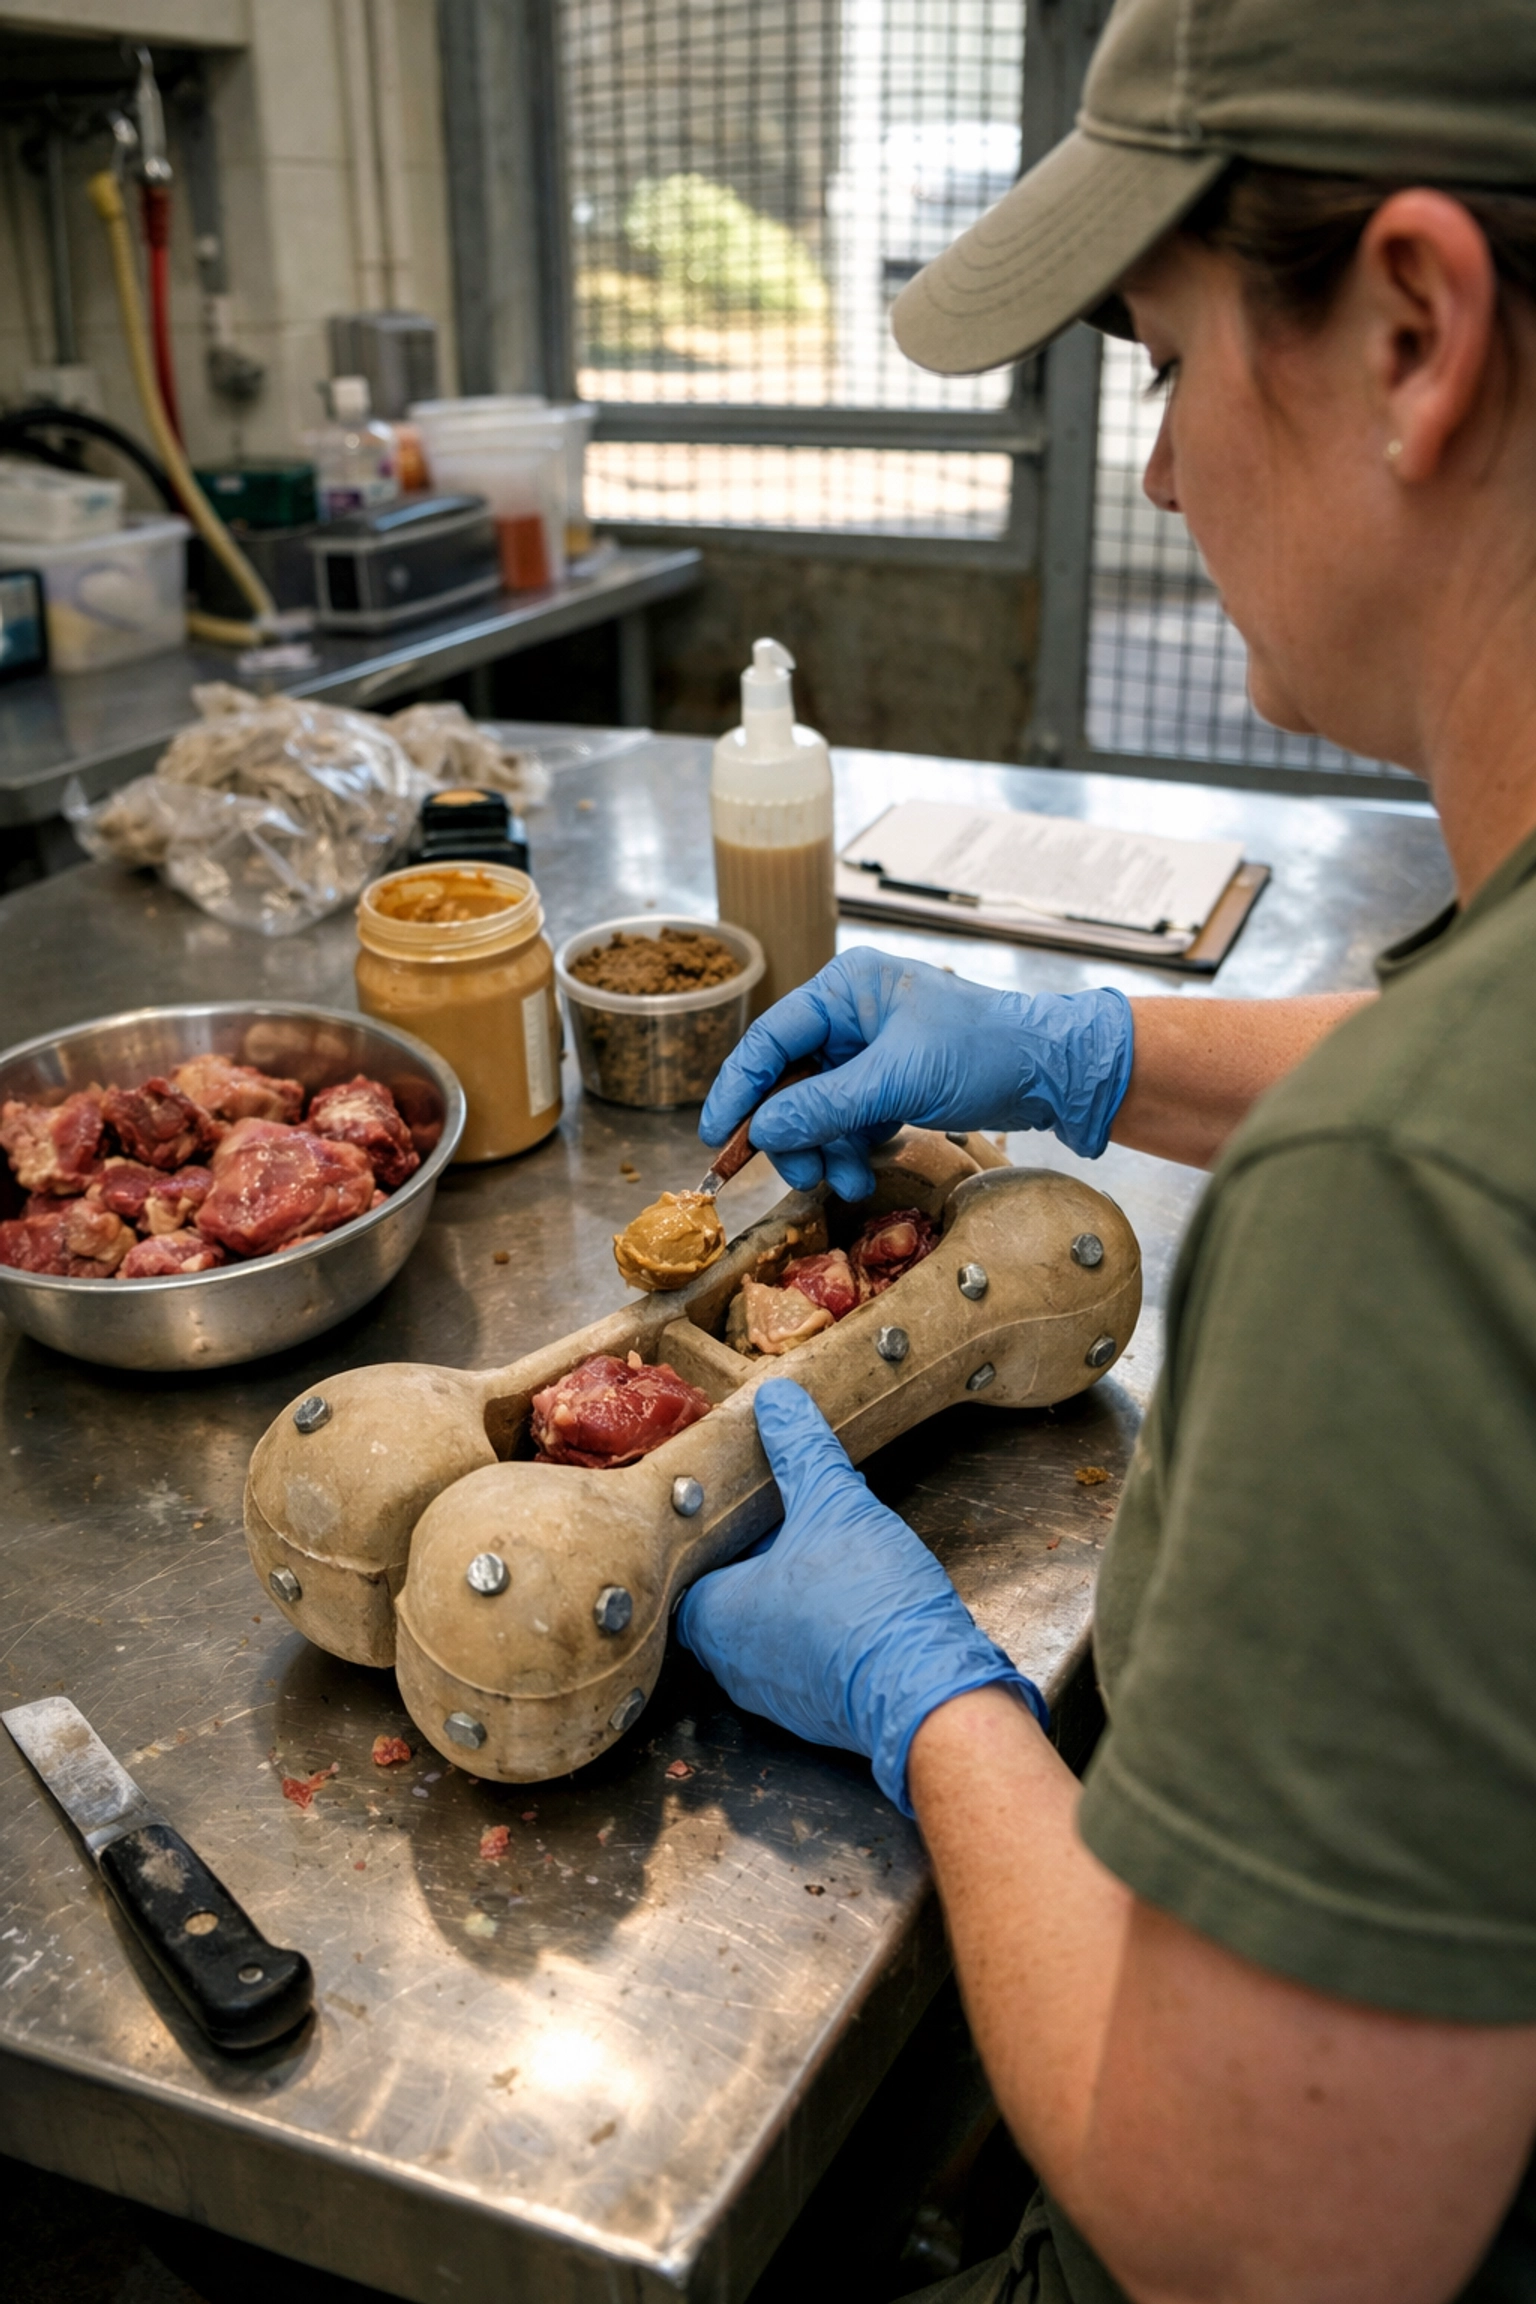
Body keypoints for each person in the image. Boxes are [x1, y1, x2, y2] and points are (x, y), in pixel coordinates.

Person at [676, 1, 1536, 2298]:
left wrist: (932, 1697)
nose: (1153, 475)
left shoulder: (1404, 1212)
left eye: (1159, 360)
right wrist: (1082, 1043)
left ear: (1418, 329)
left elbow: (1255, 2244)